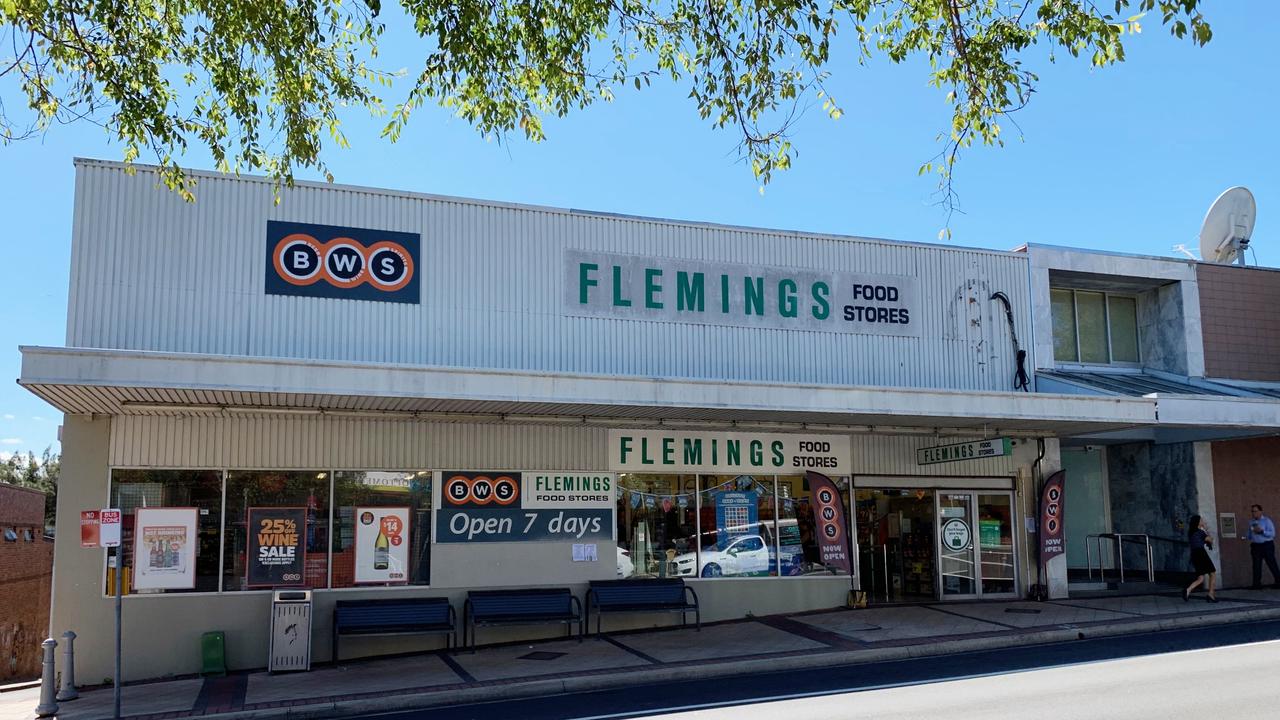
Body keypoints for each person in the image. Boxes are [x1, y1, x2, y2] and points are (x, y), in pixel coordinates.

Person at [1183, 515, 1217, 603]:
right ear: (1198, 522)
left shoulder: (1191, 532)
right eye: (1201, 520)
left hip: (1194, 554)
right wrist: (1206, 529)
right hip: (1201, 553)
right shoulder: (1200, 532)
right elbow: (1210, 540)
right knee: (1212, 573)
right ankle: (1211, 594)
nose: (1203, 521)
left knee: (1201, 578)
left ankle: (1188, 590)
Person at [1245, 504, 1280, 589]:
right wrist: (1245, 536)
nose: (1253, 513)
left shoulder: (1267, 521)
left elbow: (1272, 534)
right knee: (1256, 565)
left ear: (1260, 511)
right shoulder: (1251, 522)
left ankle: (1278, 582)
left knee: (1271, 564)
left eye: (1255, 511)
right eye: (1252, 511)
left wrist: (1262, 532)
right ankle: (1256, 584)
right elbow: (1249, 535)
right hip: (1256, 546)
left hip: (1267, 545)